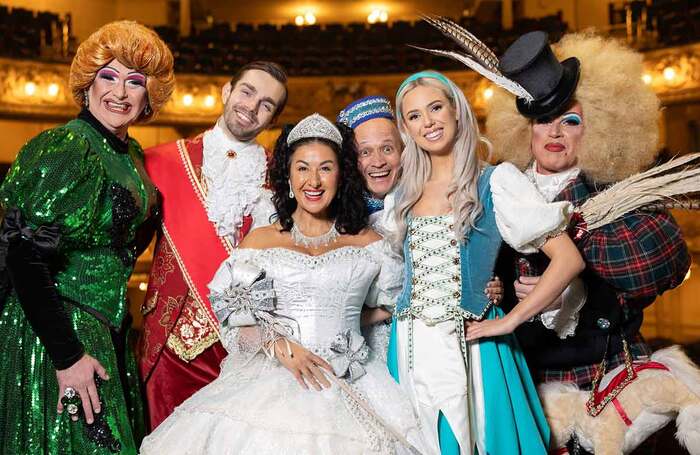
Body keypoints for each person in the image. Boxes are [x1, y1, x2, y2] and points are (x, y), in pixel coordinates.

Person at [140, 113, 425, 454]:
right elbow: (231, 315)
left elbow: (396, 303)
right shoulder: (260, 241)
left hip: (356, 380)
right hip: (273, 379)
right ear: (288, 176)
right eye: (302, 168)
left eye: (325, 168)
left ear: (341, 176)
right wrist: (283, 347)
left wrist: (342, 330)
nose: (313, 181)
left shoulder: (370, 243)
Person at [486, 30, 689, 425]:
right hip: (526, 375)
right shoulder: (502, 191)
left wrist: (571, 278)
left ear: (596, 129)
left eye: (570, 120)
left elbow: (663, 265)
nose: (555, 133)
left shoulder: (615, 191)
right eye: (543, 121)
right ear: (525, 129)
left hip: (606, 374)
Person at [386, 70, 586, 455]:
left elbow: (568, 260)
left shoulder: (495, 182)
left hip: (474, 347)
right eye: (413, 116)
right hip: (409, 349)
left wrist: (510, 318)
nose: (427, 122)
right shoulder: (402, 196)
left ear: (456, 111)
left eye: (435, 108)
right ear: (406, 128)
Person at [0, 21, 174, 454]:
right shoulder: (65, 148)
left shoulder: (131, 155)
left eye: (135, 81)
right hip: (59, 334)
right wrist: (67, 357)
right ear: (88, 83)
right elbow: (23, 257)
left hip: (107, 330)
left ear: (149, 94)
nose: (120, 92)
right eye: (108, 76)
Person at [138, 61, 288, 430]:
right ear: (226, 91)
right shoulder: (160, 161)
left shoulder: (283, 178)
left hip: (247, 346)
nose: (251, 107)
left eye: (266, 104)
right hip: (172, 349)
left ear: (272, 118)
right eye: (247, 92)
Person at [337, 95, 504, 358]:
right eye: (365, 152)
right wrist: (392, 308)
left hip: (435, 344)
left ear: (404, 150)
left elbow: (466, 260)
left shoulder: (437, 200)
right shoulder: (336, 220)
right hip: (361, 348)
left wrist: (487, 287)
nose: (378, 161)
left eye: (388, 148)